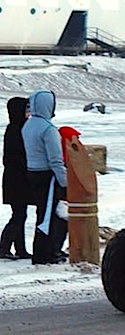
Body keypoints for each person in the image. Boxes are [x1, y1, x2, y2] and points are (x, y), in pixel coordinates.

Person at [22, 90, 68, 265]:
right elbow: (55, 160)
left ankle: (41, 251)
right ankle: (45, 254)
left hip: (32, 172)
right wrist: (65, 182)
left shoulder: (28, 125)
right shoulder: (48, 129)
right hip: (47, 176)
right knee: (49, 216)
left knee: (42, 213)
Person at [0, 97, 32, 260]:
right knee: (18, 215)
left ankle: (20, 249)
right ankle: (4, 246)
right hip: (16, 180)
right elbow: (13, 157)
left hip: (17, 179)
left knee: (21, 214)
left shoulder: (18, 127)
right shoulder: (15, 130)